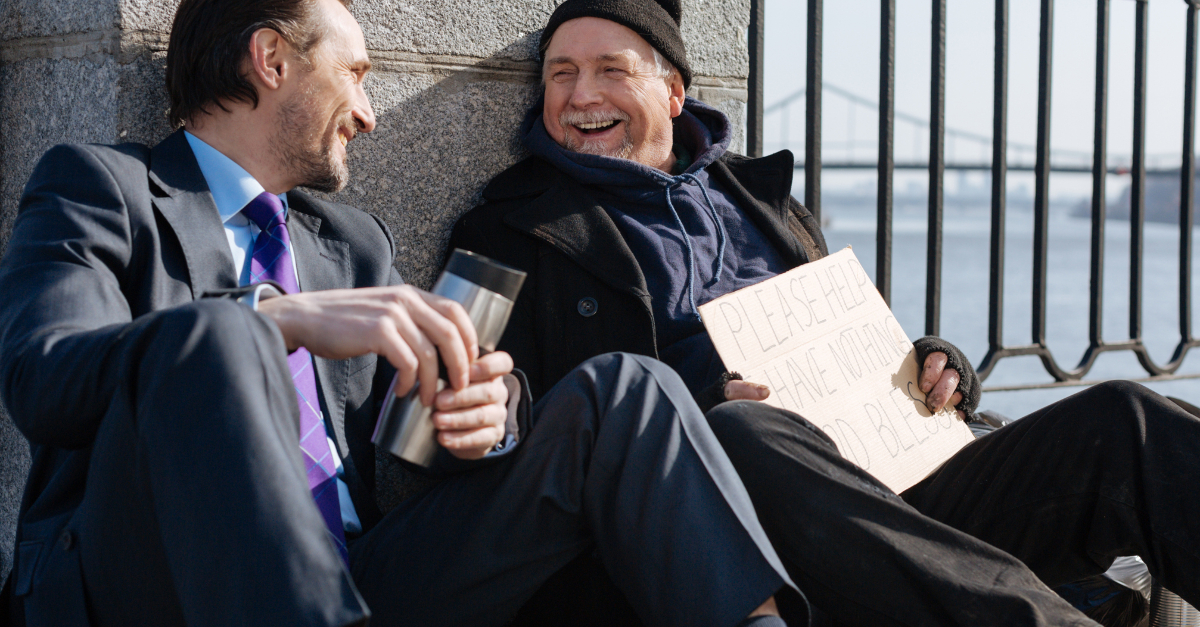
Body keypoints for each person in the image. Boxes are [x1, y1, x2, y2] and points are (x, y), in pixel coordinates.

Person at [0, 0, 818, 625]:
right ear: (271, 58)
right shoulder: (102, 188)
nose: (369, 113)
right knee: (218, 341)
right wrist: (268, 319)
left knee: (626, 392)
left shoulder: (352, 244)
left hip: (360, 578)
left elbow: (421, 452)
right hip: (153, 575)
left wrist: (485, 415)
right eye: (355, 75)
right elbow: (42, 378)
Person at [450, 0, 1200, 624]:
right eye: (561, 73)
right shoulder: (512, 228)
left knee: (1123, 419)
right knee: (741, 429)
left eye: (611, 71)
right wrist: (690, 406)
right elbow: (507, 428)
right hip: (725, 527)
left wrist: (932, 368)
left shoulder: (761, 199)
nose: (581, 95)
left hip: (884, 495)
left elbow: (850, 343)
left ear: (674, 93)